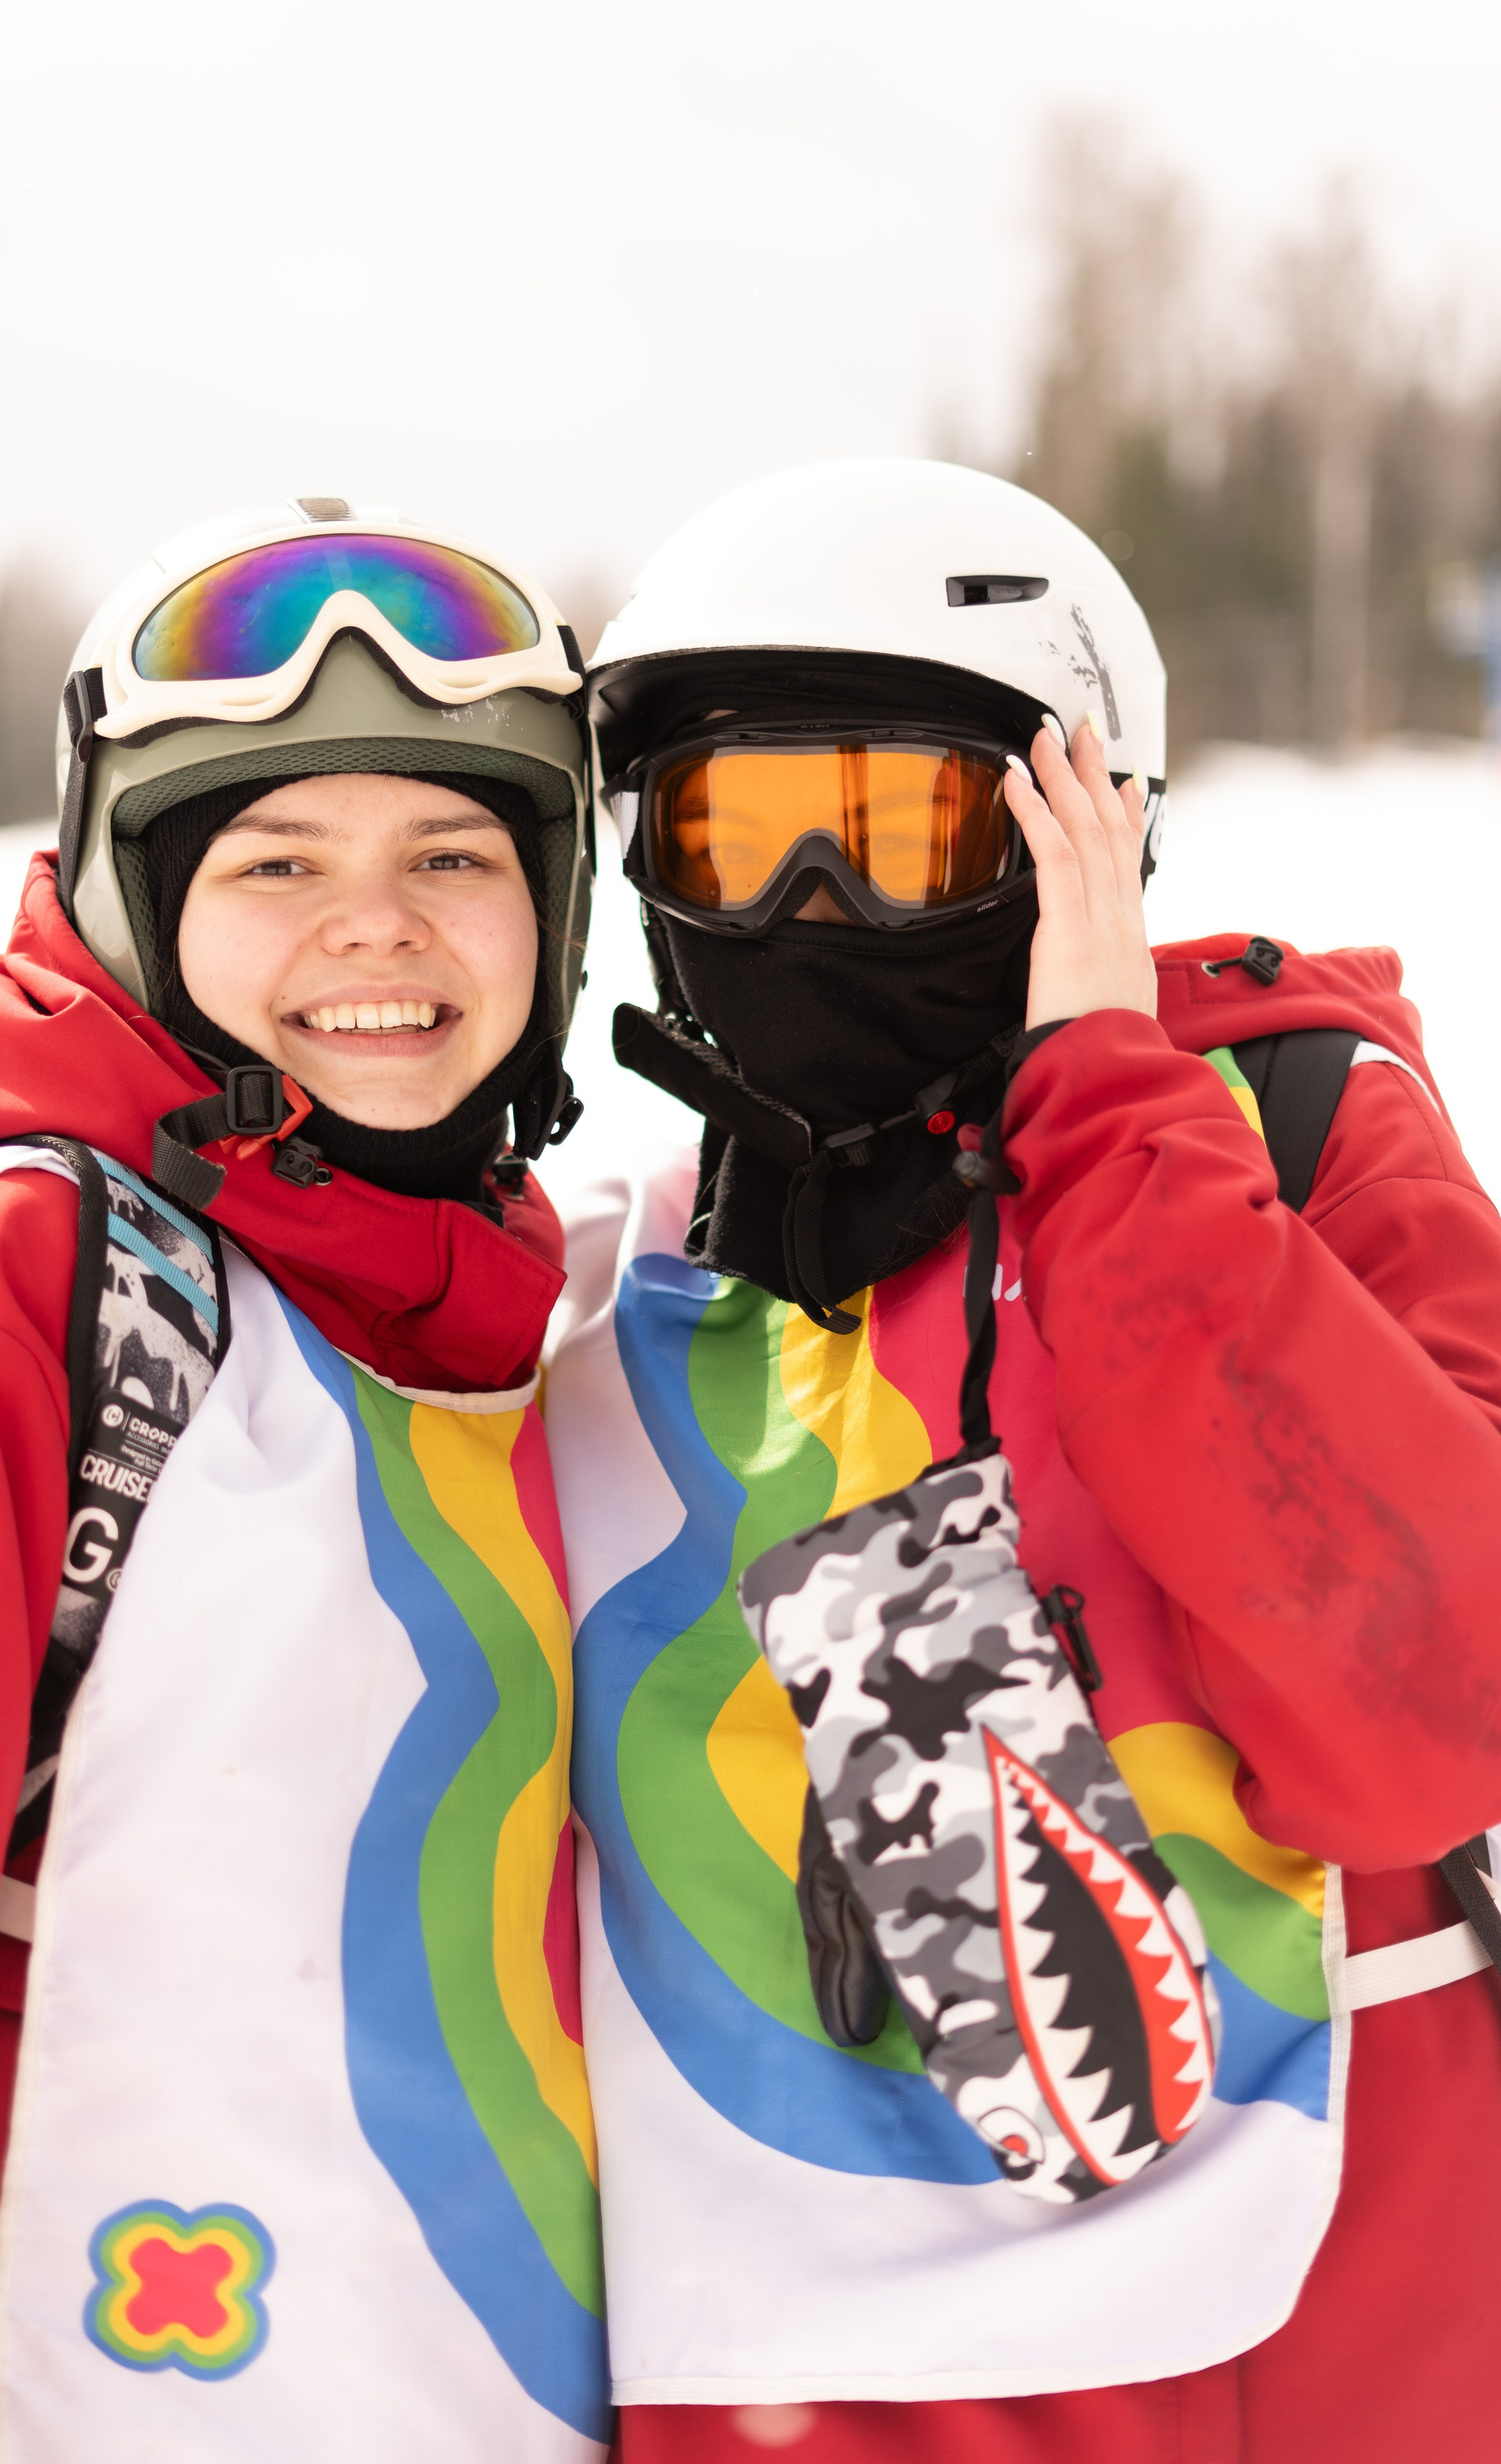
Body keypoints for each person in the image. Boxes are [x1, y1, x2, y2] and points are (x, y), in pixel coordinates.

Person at [543, 460, 1501, 2463]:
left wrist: (1115, 1122)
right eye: (741, 839)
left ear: (1090, 828)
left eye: (902, 834)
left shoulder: (1297, 1142)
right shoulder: (627, 1291)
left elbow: (1423, 1720)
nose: (812, 916)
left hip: (1314, 2348)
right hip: (811, 2375)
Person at [0, 501, 609, 2463]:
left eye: (455, 852)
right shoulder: (18, 1291)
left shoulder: (544, 1330)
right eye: (277, 862)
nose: (380, 925)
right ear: (135, 909)